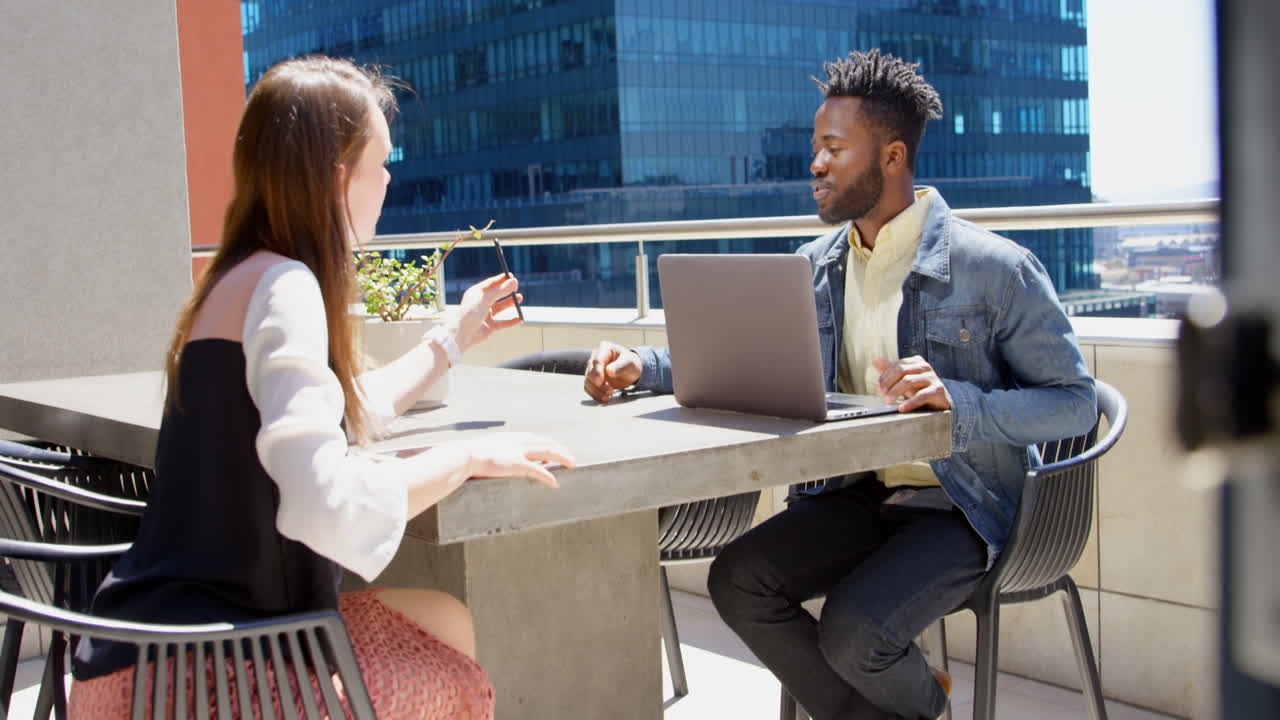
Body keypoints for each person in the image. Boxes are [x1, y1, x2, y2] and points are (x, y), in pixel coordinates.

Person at [583, 50, 1096, 720]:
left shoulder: (996, 270)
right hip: (852, 496)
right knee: (738, 582)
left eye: (833, 147)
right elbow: (747, 361)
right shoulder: (814, 267)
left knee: (855, 632)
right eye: (814, 147)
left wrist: (960, 403)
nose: (814, 164)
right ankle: (916, 706)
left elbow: (1075, 403)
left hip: (962, 508)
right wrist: (642, 368)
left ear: (892, 156)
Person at [69, 56, 574, 720]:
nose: (390, 179)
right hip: (201, 682)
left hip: (136, 655)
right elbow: (322, 502)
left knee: (442, 617)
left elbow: (334, 408)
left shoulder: (236, 282)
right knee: (452, 677)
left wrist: (454, 338)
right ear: (339, 180)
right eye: (380, 163)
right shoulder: (289, 289)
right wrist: (463, 460)